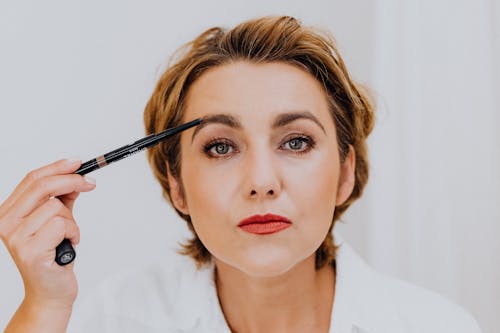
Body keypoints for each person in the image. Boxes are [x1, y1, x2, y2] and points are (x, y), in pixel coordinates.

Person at [0, 16, 482, 333]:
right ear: (176, 186)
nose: (261, 181)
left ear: (345, 174)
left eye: (296, 142)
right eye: (220, 147)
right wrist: (43, 305)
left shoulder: (437, 326)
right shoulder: (113, 319)